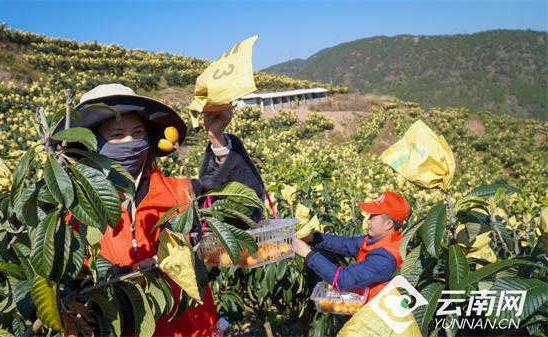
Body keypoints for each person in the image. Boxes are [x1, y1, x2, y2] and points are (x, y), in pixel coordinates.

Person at [59, 83, 264, 336]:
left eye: (138, 132)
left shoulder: (180, 193)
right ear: (92, 146)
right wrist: (129, 280)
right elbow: (74, 295)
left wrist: (218, 141)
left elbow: (241, 212)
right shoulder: (74, 214)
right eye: (116, 135)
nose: (131, 142)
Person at [293, 191, 409, 302]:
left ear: (388, 224)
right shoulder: (377, 240)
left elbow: (344, 280)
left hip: (373, 317)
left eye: (372, 217)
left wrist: (308, 254)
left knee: (325, 296)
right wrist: (313, 238)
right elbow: (345, 244)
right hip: (364, 300)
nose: (367, 220)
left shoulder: (387, 257)